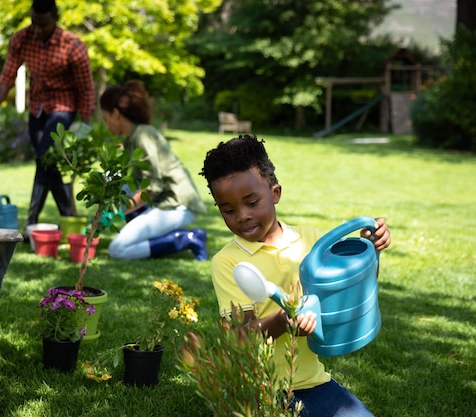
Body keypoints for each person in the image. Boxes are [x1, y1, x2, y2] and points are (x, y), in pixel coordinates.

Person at [200, 135, 391, 417]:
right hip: (259, 389)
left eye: (252, 203)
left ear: (275, 193)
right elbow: (240, 337)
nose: (241, 216)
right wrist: (281, 321)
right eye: (228, 210)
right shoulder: (228, 262)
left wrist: (372, 251)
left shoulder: (312, 241)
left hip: (311, 382)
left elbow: (357, 289)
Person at [0, 0, 95, 235]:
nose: (38, 29)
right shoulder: (22, 39)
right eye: (34, 23)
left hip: (63, 108)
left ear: (55, 18)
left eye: (43, 25)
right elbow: (8, 74)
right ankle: (69, 219)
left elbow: (86, 88)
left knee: (45, 156)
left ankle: (31, 222)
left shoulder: (72, 46)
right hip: (37, 109)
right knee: (47, 163)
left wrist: (86, 121)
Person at [99, 80, 208, 260]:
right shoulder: (132, 139)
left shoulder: (143, 136)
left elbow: (151, 189)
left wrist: (117, 213)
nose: (106, 125)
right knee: (118, 187)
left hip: (177, 204)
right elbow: (131, 184)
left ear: (116, 114)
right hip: (163, 202)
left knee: (117, 249)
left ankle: (187, 238)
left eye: (106, 119)